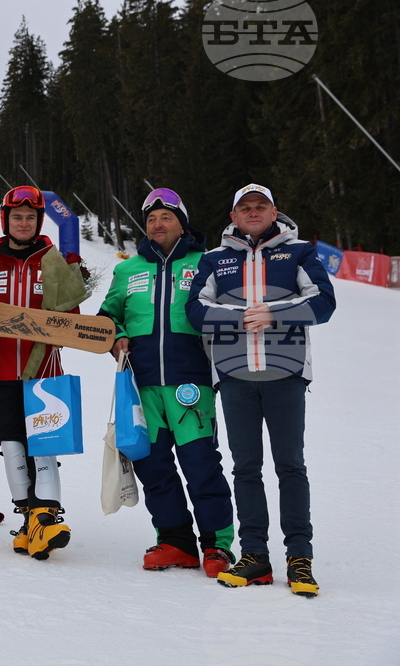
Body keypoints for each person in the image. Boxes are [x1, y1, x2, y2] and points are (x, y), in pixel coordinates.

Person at [187, 183, 335, 597]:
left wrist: (273, 313)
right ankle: (254, 556)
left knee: (291, 467)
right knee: (245, 469)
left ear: (274, 212)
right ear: (233, 216)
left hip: (285, 375)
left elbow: (324, 302)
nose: (253, 212)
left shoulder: (299, 251)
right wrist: (241, 317)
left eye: (261, 206)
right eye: (244, 207)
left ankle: (299, 559)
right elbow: (196, 311)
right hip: (234, 377)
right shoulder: (215, 259)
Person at [97, 188, 235, 577]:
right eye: (151, 219)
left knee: (201, 463)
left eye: (167, 217)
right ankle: (175, 541)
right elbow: (107, 315)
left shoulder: (205, 263)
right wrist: (116, 335)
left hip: (191, 383)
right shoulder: (127, 269)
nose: (158, 224)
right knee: (152, 465)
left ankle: (216, 545)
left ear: (182, 223)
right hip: (140, 386)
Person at [0, 185, 78, 560]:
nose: (24, 223)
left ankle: (47, 517)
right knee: (12, 444)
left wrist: (73, 282)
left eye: (31, 217)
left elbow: (72, 321)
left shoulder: (55, 262)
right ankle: (30, 519)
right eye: (17, 217)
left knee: (44, 444)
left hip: (45, 370)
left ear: (39, 220)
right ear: (6, 220)